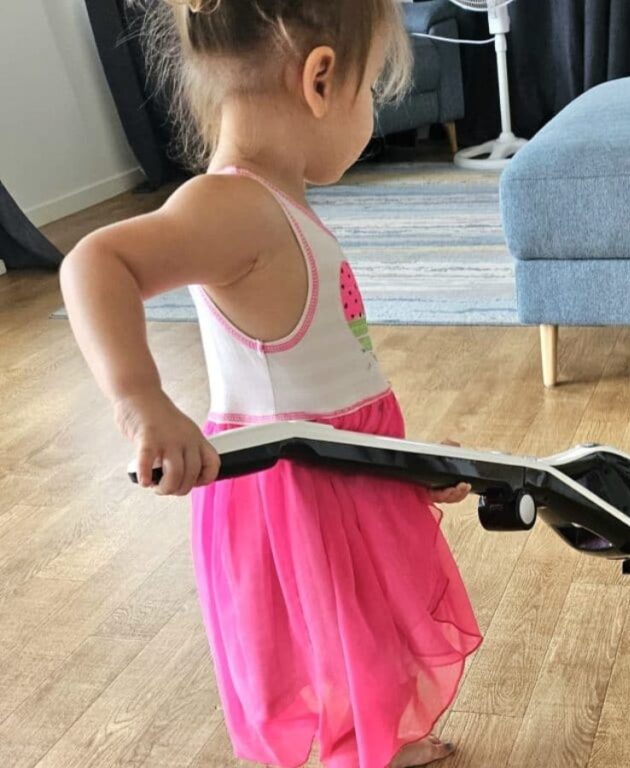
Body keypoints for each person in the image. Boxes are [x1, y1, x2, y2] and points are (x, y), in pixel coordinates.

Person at [60, 1, 481, 765]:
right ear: (320, 80)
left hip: (339, 470)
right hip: (291, 489)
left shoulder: (277, 203)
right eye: (372, 92)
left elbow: (328, 377)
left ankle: (368, 740)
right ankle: (350, 747)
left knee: (363, 621)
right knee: (327, 629)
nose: (371, 115)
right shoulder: (235, 207)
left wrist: (410, 464)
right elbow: (95, 262)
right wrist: (143, 400)